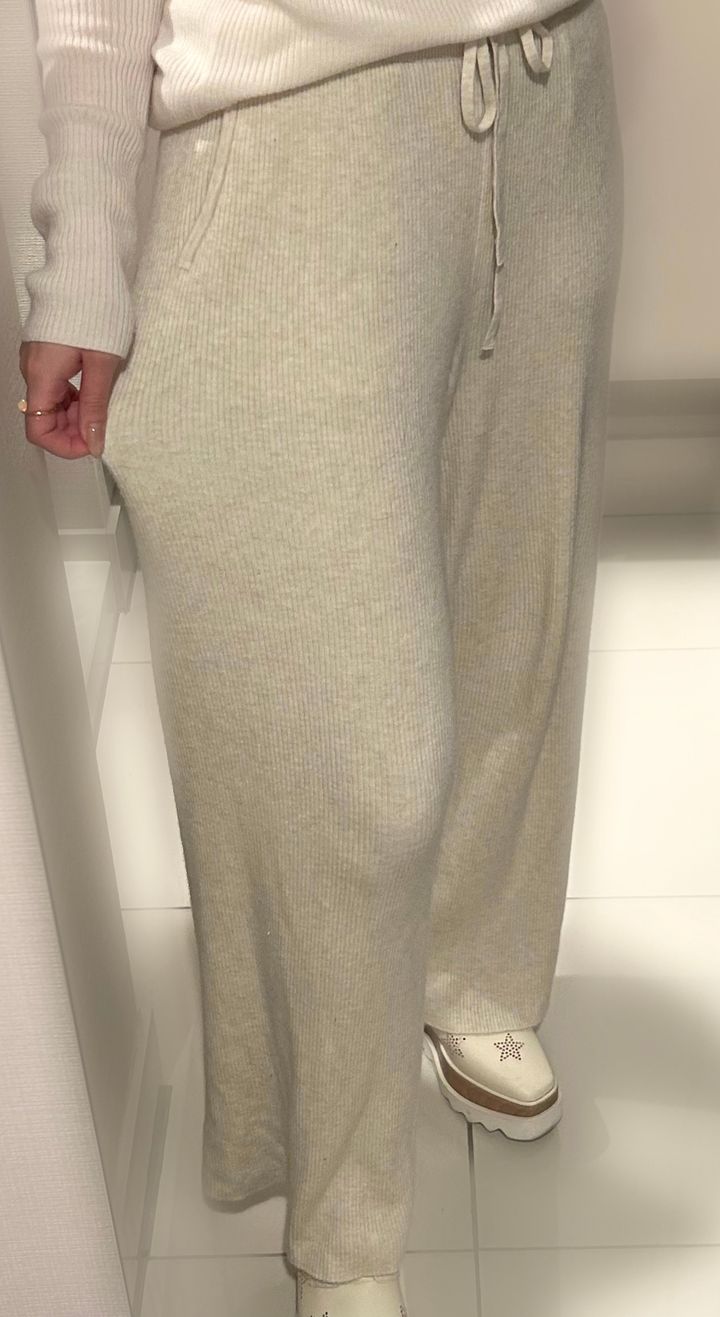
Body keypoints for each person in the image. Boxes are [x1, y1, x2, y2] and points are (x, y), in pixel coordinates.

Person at [18, 2, 622, 1313]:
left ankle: (474, 971)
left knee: (512, 608)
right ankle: (340, 1225)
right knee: (344, 750)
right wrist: (84, 249)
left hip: (547, 86)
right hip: (290, 124)